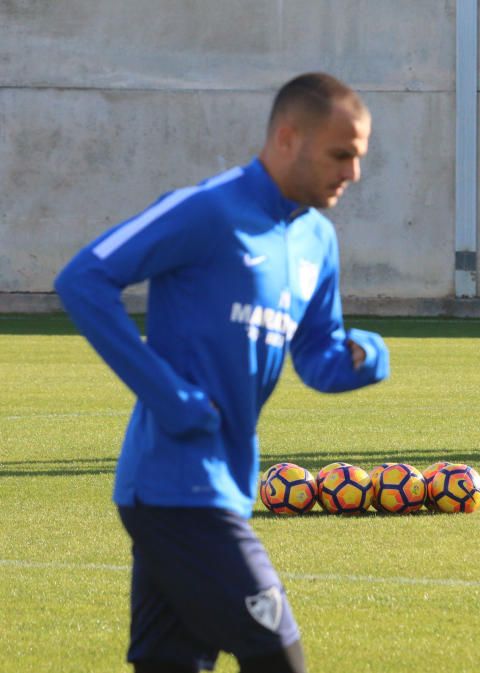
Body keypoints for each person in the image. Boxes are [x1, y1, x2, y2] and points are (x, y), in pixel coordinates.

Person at [54, 72, 389, 672]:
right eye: (341, 155)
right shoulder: (207, 210)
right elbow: (83, 279)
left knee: (169, 664)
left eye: (359, 157)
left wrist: (367, 355)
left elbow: (319, 359)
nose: (353, 174)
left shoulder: (317, 240)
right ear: (288, 138)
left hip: (227, 485)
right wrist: (172, 396)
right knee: (277, 652)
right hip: (174, 485)